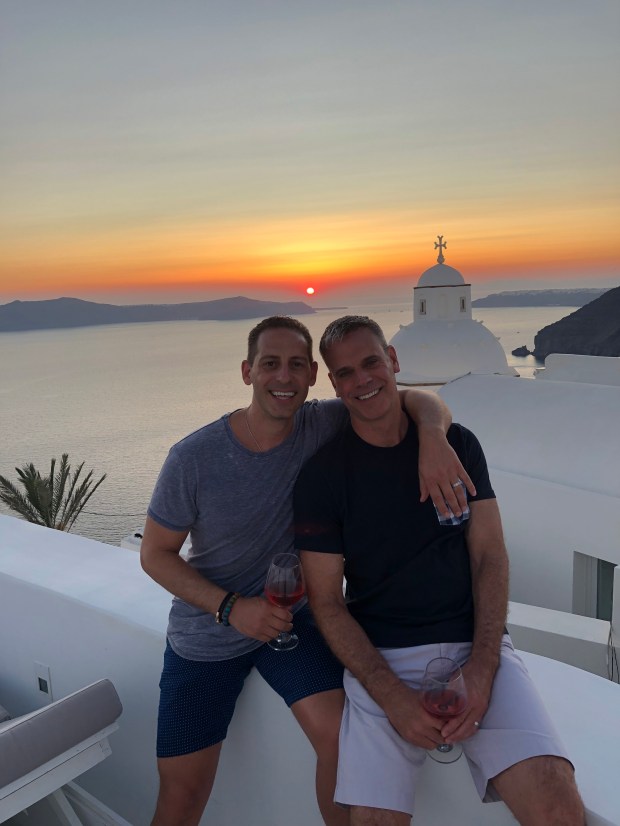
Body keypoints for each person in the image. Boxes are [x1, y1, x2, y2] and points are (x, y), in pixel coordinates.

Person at [140, 315, 472, 826]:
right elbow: (155, 554)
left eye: (297, 365)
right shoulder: (194, 457)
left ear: (315, 375)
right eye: (270, 364)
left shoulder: (323, 422)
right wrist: (231, 608)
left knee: (340, 739)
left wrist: (433, 436)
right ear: (248, 371)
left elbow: (413, 399)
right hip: (208, 635)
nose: (284, 377)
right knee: (182, 795)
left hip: (292, 626)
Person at [294, 315, 586, 826]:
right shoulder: (323, 477)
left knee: (558, 807)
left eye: (371, 362)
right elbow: (326, 601)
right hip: (382, 656)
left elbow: (490, 556)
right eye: (346, 372)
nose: (362, 379)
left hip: (475, 644)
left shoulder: (459, 447)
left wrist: (483, 666)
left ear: (393, 360)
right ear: (334, 384)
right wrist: (392, 696)